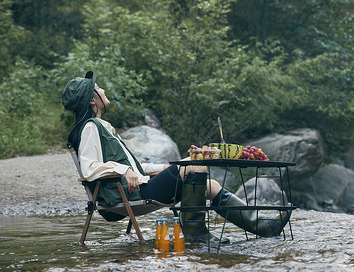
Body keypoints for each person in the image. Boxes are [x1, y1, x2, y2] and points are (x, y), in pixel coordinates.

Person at [62, 71, 291, 244]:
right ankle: (195, 234)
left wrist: (166, 166)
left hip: (137, 186)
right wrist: (124, 171)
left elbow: (135, 166)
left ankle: (264, 227)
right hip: (126, 195)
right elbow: (90, 168)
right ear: (92, 100)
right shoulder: (90, 127)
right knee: (195, 168)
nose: (103, 91)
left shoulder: (102, 126)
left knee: (207, 183)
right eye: (99, 89)